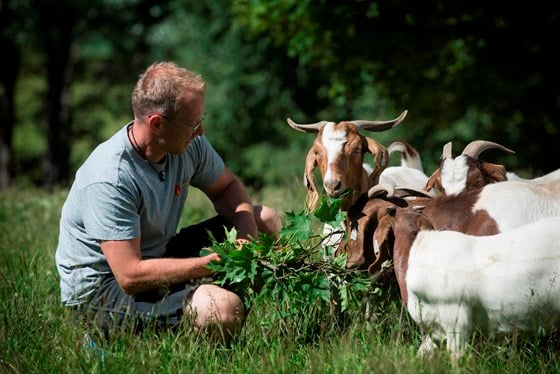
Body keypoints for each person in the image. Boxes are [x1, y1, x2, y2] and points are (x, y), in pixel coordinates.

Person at [55, 61, 282, 340]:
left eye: (202, 119)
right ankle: (207, 321)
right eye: (193, 124)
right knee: (223, 310)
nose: (201, 132)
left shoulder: (187, 145)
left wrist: (246, 237)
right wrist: (213, 263)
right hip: (105, 292)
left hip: (157, 256)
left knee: (264, 219)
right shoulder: (110, 177)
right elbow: (130, 276)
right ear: (157, 124)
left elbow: (227, 188)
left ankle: (212, 310)